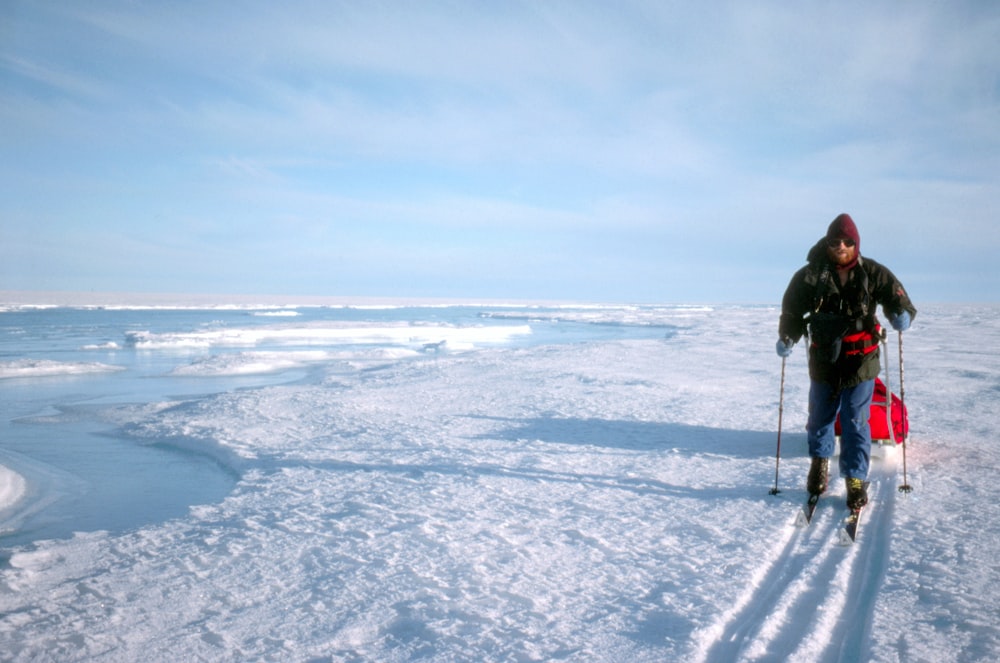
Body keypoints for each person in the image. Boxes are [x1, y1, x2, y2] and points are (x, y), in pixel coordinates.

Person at [776, 213, 916, 510]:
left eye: (847, 241)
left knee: (854, 418)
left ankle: (854, 478)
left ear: (856, 243)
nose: (841, 246)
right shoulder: (809, 276)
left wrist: (900, 315)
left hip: (861, 358)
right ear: (827, 243)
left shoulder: (873, 272)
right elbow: (791, 312)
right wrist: (788, 336)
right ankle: (820, 463)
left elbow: (898, 299)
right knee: (820, 417)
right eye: (835, 241)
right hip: (824, 358)